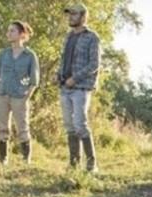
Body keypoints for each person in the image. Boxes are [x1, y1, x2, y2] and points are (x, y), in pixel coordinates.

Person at [54, 4, 101, 172]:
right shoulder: (68, 37)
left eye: (74, 14)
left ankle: (91, 163)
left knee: (80, 124)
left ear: (83, 17)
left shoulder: (92, 37)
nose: (70, 17)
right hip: (64, 87)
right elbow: (64, 60)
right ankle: (74, 164)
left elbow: (94, 64)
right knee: (69, 126)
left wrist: (76, 78)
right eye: (69, 14)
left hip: (81, 87)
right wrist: (57, 75)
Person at [0, 20, 39, 164]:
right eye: (8, 31)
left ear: (21, 34)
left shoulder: (29, 55)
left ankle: (26, 158)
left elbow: (34, 79)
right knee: (2, 127)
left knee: (22, 127)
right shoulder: (3, 54)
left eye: (12, 31)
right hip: (2, 94)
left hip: (20, 95)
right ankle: (3, 158)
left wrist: (28, 95)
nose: (9, 33)